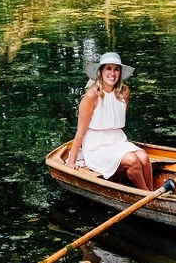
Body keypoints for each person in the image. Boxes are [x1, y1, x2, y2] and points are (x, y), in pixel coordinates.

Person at [64, 52, 154, 191]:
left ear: (120, 72)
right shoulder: (91, 95)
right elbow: (80, 131)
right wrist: (72, 161)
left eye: (116, 69)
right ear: (101, 71)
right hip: (97, 146)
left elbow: (117, 122)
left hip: (117, 141)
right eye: (108, 68)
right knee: (132, 160)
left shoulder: (124, 92)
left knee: (143, 157)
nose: (112, 73)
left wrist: (125, 144)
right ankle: (147, 195)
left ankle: (152, 191)